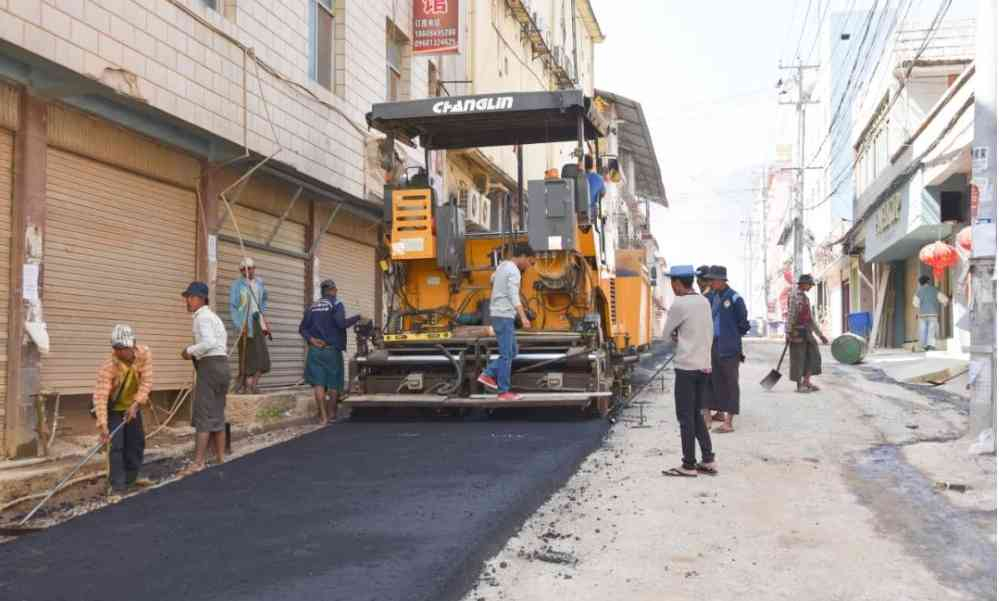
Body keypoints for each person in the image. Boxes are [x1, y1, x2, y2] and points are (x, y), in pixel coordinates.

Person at [660, 265, 717, 478]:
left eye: (672, 283)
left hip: (686, 368)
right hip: (704, 366)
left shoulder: (679, 303)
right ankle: (708, 459)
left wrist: (677, 336)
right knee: (695, 414)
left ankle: (689, 464)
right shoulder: (704, 301)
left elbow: (665, 335)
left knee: (685, 416)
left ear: (676, 283)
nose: (672, 286)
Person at [92, 324, 153, 495]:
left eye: (123, 348)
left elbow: (147, 382)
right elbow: (101, 396)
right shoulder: (108, 366)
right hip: (113, 409)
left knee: (136, 441)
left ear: (133, 344)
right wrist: (103, 426)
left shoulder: (144, 354)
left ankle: (132, 478)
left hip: (132, 404)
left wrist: (135, 405)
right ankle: (116, 485)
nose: (119, 352)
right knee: (116, 445)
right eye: (116, 348)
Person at [299, 279, 368, 423]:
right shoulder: (336, 304)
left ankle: (322, 417)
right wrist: (358, 317)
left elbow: (302, 328)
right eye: (335, 290)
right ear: (333, 291)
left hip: (315, 350)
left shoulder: (313, 306)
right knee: (334, 384)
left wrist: (311, 340)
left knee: (318, 384)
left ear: (323, 291)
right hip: (331, 351)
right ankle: (331, 415)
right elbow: (341, 324)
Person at [180, 281, 230, 473]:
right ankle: (220, 458)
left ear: (200, 299)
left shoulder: (201, 318)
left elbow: (208, 343)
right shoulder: (214, 317)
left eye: (190, 298)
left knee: (203, 414)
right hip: (222, 366)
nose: (188, 301)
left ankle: (198, 462)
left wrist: (189, 350)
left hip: (210, 366)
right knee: (217, 412)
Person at [477, 243, 536, 402]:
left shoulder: (503, 266)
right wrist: (523, 317)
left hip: (499, 315)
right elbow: (514, 295)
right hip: (504, 316)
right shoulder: (514, 271)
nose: (530, 266)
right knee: (506, 354)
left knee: (512, 350)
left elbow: (492, 279)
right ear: (523, 257)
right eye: (530, 262)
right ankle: (502, 391)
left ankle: (488, 374)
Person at [705, 266, 749, 433]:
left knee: (731, 383)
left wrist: (732, 335)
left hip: (729, 348)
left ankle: (729, 422)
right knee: (716, 381)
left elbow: (743, 323)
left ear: (721, 280)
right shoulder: (712, 297)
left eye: (713, 280)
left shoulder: (735, 298)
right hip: (713, 345)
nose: (710, 283)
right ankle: (719, 413)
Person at [229, 257, 271, 394]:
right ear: (241, 271)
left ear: (254, 268)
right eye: (245, 269)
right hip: (244, 324)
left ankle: (253, 384)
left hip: (257, 322)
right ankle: (247, 386)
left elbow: (264, 300)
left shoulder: (259, 283)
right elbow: (234, 307)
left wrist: (264, 318)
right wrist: (239, 325)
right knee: (247, 357)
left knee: (262, 357)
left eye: (251, 268)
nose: (248, 271)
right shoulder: (237, 285)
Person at [786, 274, 828, 393]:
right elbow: (791, 314)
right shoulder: (794, 295)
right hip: (796, 332)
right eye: (810, 284)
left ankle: (806, 381)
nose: (811, 287)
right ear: (804, 284)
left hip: (807, 331)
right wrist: (788, 332)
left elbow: (810, 319)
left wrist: (820, 335)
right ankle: (800, 386)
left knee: (813, 356)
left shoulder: (806, 298)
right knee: (798, 359)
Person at [912, 275, 949, 351]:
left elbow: (915, 304)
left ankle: (923, 346)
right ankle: (931, 346)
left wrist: (921, 306)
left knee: (922, 330)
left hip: (923, 314)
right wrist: (945, 304)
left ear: (920, 283)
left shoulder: (919, 291)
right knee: (931, 330)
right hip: (933, 313)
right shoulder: (934, 290)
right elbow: (945, 299)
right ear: (928, 281)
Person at [584, 155, 606, 220]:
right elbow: (602, 193)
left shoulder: (576, 177)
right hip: (590, 212)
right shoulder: (599, 179)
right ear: (592, 165)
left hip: (574, 210)